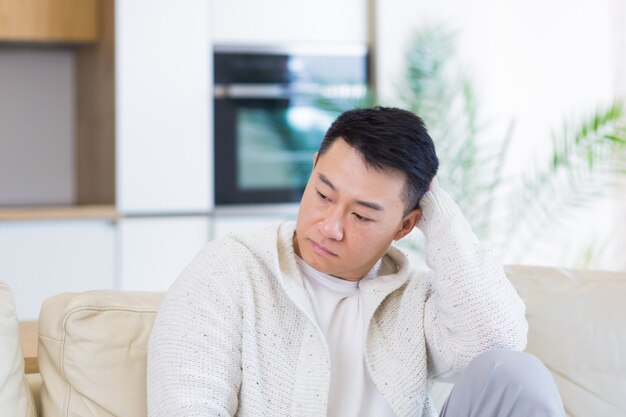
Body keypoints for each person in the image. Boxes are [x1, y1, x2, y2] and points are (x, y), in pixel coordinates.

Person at [147, 107, 565, 417]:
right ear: (312, 170)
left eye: (362, 215)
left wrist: (439, 209)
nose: (330, 227)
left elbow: (497, 343)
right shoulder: (227, 273)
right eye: (323, 195)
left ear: (405, 226)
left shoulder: (413, 300)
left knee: (515, 374)